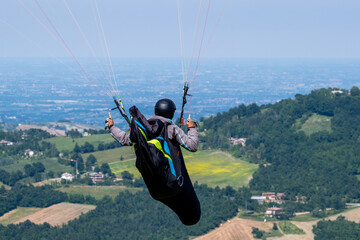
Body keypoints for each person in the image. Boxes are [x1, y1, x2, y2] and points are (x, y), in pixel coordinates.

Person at [105, 98, 201, 225]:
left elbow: (124, 139)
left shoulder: (143, 130)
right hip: (174, 185)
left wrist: (111, 126)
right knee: (193, 216)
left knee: (189, 217)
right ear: (171, 113)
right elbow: (192, 146)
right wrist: (192, 128)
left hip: (155, 190)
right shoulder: (171, 128)